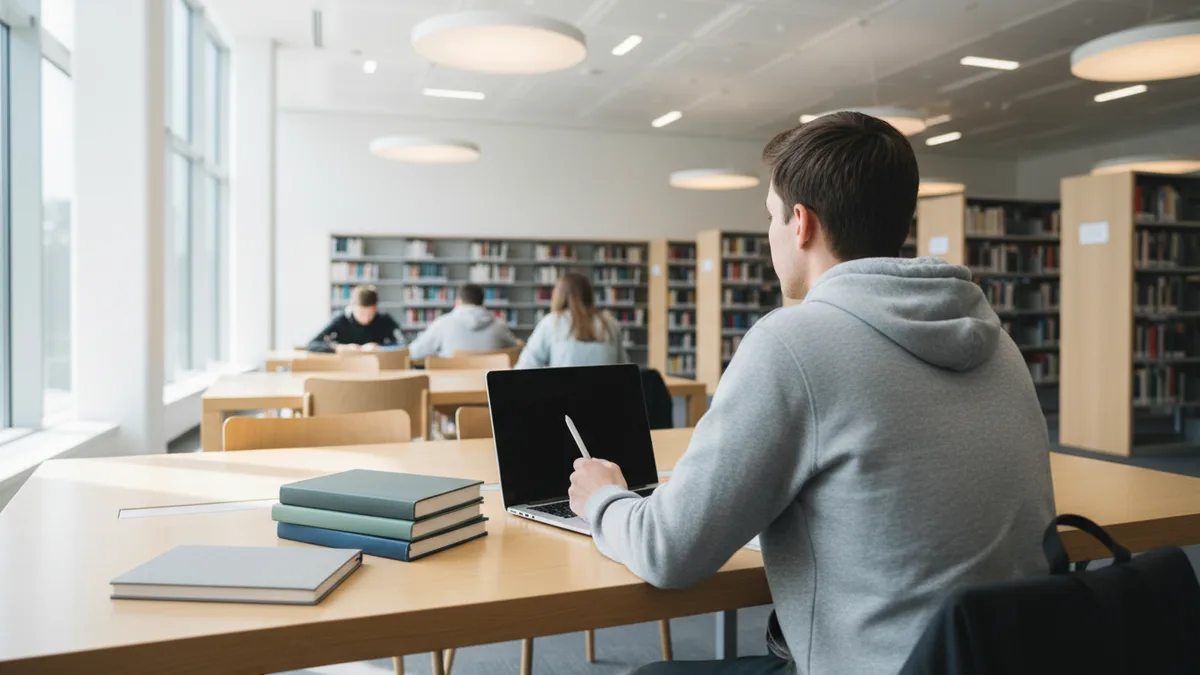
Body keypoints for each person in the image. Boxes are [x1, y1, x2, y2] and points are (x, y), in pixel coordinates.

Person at [567, 112, 1056, 674]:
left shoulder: (792, 340)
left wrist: (603, 497)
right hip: (1003, 656)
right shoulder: (994, 336)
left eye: (771, 216)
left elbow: (668, 551)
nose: (770, 233)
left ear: (800, 224)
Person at [515, 272, 629, 369]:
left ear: (558, 295)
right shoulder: (610, 324)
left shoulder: (551, 323)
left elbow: (524, 368)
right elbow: (626, 370)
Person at [407, 283, 520, 360]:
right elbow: (517, 351)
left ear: (458, 302)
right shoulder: (499, 325)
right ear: (482, 303)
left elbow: (415, 352)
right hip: (488, 390)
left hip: (452, 390)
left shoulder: (443, 323)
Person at [307, 285, 404, 352]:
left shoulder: (384, 320)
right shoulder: (341, 320)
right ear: (352, 308)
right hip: (345, 368)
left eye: (370, 314)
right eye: (361, 313)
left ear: (376, 308)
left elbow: (404, 344)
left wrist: (381, 348)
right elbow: (312, 344)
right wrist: (338, 348)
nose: (366, 319)